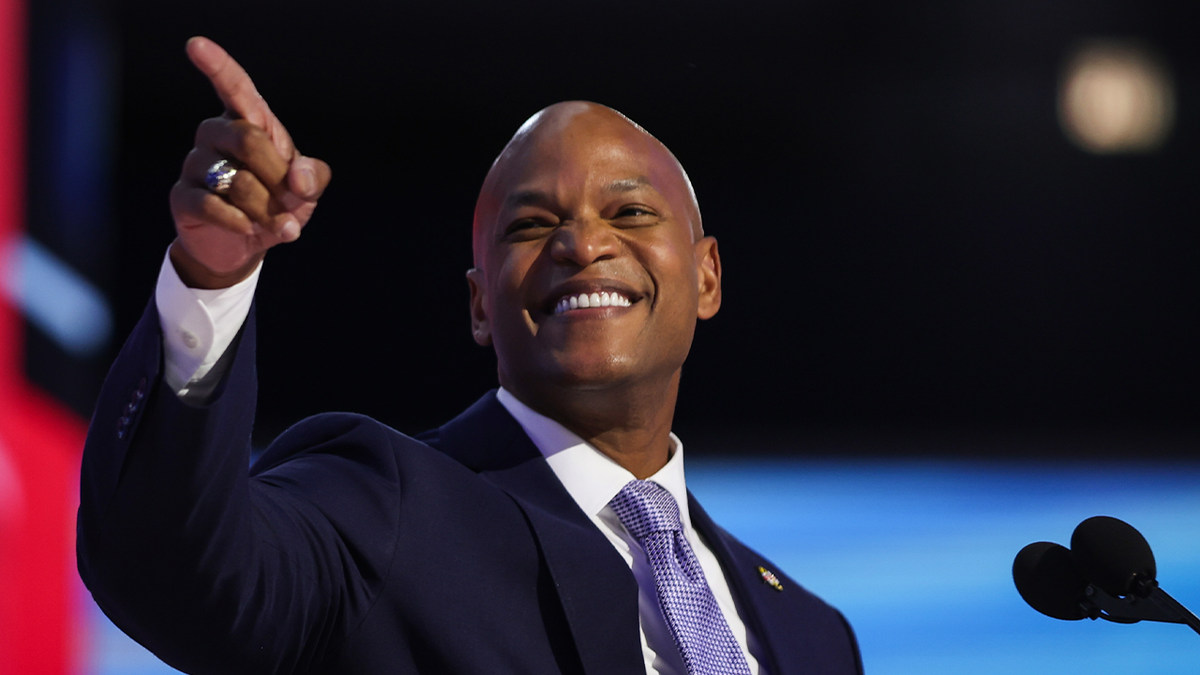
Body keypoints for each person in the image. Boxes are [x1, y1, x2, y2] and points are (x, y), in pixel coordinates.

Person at [77, 37, 862, 675]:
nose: (582, 243)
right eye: (529, 226)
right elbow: (173, 569)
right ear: (483, 306)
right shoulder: (384, 504)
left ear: (707, 276)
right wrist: (212, 279)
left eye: (628, 210)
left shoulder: (814, 632)